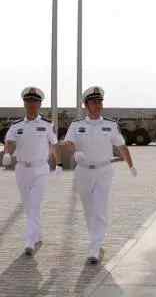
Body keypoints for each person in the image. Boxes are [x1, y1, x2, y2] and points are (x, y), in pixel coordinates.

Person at [63, 86, 136, 264]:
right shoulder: (77, 125)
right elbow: (68, 143)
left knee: (100, 207)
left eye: (100, 101)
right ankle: (95, 239)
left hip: (104, 171)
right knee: (89, 209)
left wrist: (131, 165)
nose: (98, 105)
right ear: (86, 105)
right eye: (94, 102)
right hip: (83, 171)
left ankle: (95, 246)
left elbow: (121, 146)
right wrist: (75, 152)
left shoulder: (110, 125)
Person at [2, 87, 60, 256]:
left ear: (40, 104)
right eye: (28, 102)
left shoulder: (47, 125)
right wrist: (7, 153)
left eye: (34, 102)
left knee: (34, 203)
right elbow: (10, 142)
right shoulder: (16, 126)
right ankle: (38, 233)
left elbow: (54, 144)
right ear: (24, 104)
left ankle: (29, 241)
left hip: (40, 168)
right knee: (29, 205)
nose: (31, 105)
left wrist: (58, 164)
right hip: (22, 170)